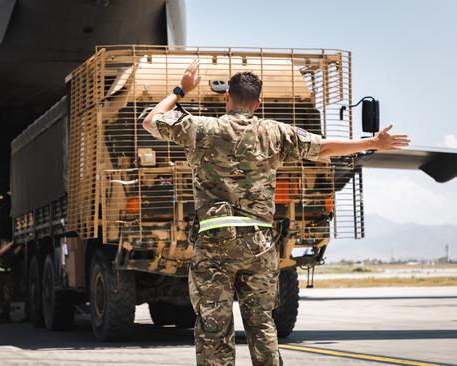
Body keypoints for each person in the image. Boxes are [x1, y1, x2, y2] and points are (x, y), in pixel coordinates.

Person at [142, 60, 410, 366]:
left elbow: (151, 121)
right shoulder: (275, 133)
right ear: (258, 103)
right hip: (259, 242)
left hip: (214, 240)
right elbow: (323, 148)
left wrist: (181, 90)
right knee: (261, 323)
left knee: (213, 328)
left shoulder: (202, 128)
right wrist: (372, 142)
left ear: (227, 96)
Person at [0, 238, 22, 323]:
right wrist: (11, 243)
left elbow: (16, 252)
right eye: (6, 243)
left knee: (8, 297)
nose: (7, 245)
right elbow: (2, 252)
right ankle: (1, 317)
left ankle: (7, 316)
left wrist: (22, 243)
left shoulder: (9, 253)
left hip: (7, 276)